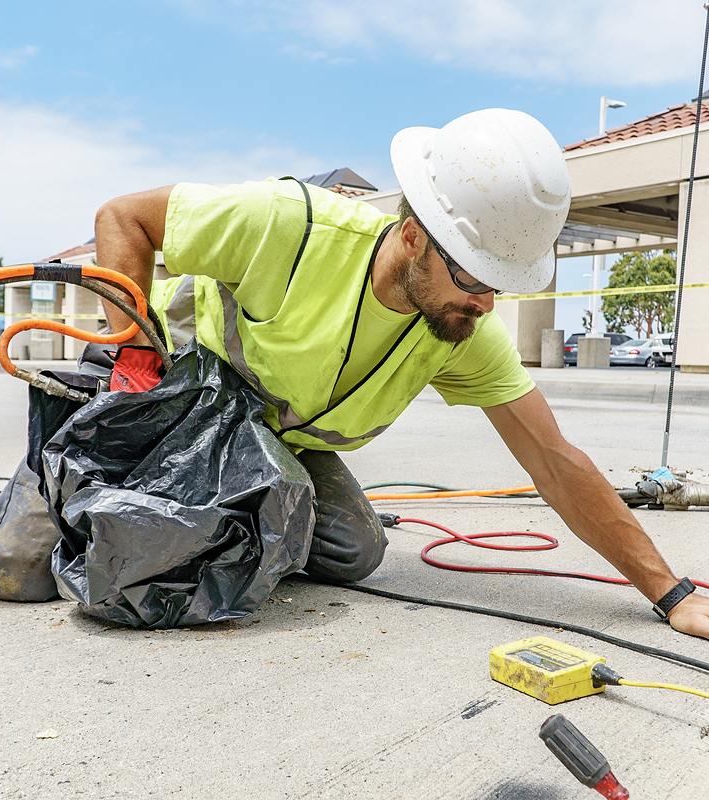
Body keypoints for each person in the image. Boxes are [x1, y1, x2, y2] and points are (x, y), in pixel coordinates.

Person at [91, 108, 709, 640]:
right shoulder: (289, 224)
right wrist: (134, 352)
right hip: (181, 401)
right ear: (413, 237)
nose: (486, 303)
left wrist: (672, 595)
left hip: (274, 444)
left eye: (498, 284)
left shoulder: (460, 328)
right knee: (24, 565)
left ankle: (243, 510)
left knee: (353, 550)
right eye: (472, 276)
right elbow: (125, 217)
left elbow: (554, 460)